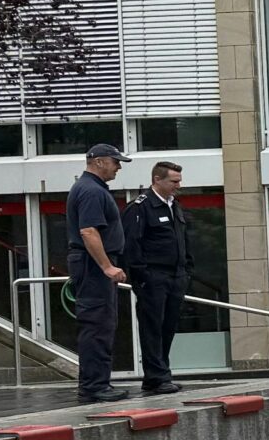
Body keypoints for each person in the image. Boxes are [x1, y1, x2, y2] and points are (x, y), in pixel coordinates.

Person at [64, 141, 131, 403]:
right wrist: (107, 266)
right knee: (97, 324)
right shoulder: (91, 190)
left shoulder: (93, 188)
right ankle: (94, 386)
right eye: (115, 162)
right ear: (99, 161)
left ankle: (97, 383)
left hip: (92, 264)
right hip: (93, 266)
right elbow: (88, 231)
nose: (118, 168)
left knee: (103, 323)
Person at [124, 159, 195, 396]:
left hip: (176, 276)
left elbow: (184, 239)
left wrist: (187, 270)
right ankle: (157, 376)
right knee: (152, 327)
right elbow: (131, 245)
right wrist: (141, 276)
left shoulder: (174, 205)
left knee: (168, 327)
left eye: (179, 181)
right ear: (157, 180)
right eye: (174, 181)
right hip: (153, 277)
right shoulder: (140, 207)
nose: (178, 185)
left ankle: (159, 374)